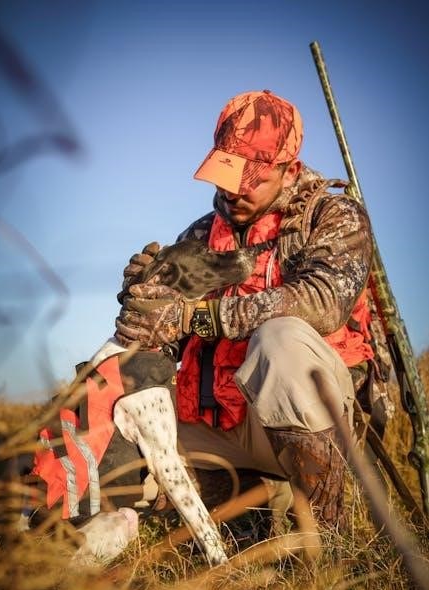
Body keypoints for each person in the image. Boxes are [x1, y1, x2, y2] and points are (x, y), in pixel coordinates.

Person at [115, 89, 375, 532]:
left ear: (290, 170)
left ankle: (330, 538)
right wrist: (142, 301)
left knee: (282, 340)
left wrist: (196, 318)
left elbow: (323, 301)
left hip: (310, 421)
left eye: (250, 177)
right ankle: (248, 516)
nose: (233, 190)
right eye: (227, 172)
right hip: (214, 420)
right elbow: (161, 339)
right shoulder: (198, 236)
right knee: (120, 420)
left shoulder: (335, 216)